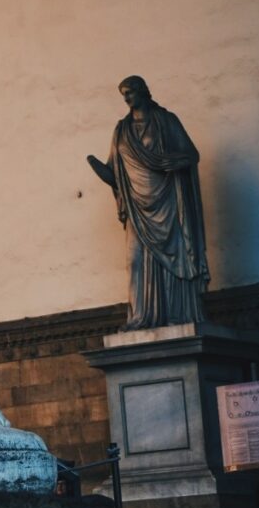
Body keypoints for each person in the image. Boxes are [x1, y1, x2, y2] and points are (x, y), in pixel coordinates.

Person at [87, 76, 210, 330]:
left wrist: (171, 161)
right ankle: (141, 317)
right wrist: (95, 166)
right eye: (123, 95)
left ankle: (180, 314)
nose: (127, 98)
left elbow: (191, 154)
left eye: (130, 92)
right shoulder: (121, 131)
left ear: (143, 91)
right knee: (134, 262)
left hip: (168, 203)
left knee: (175, 258)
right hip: (136, 208)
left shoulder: (166, 121)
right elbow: (115, 176)